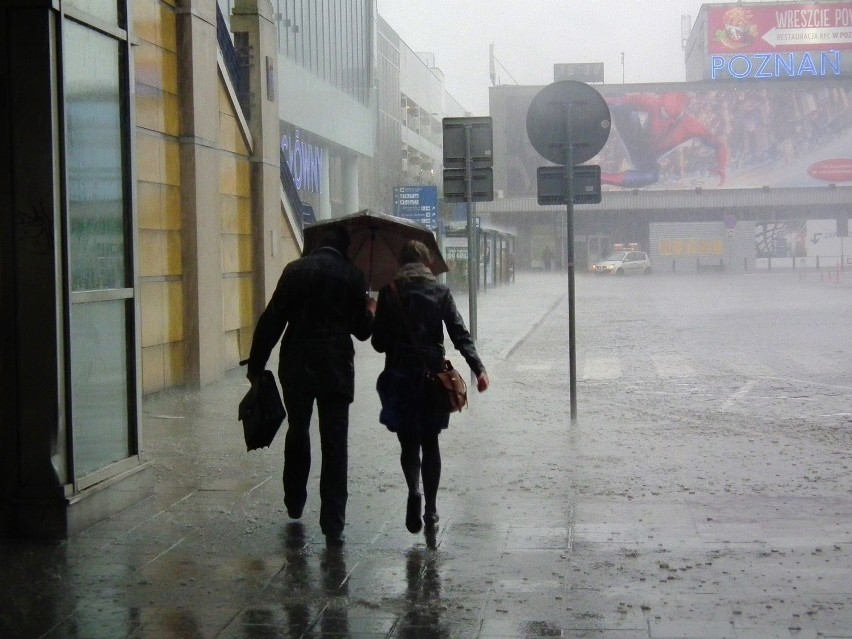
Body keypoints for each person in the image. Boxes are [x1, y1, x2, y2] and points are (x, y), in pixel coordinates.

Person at [245, 226, 375, 546]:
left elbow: (273, 318)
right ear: (344, 250)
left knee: (298, 429)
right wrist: (369, 308)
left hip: (297, 366)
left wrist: (256, 364)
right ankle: (333, 521)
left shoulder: (294, 271)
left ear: (317, 246)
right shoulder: (353, 276)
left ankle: (294, 499)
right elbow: (362, 332)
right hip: (335, 370)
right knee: (334, 444)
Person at [371, 240, 489, 534]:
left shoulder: (389, 292)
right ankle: (432, 508)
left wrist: (376, 314)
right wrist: (479, 369)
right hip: (432, 379)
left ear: (402, 263)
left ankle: (413, 490)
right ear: (426, 264)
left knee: (408, 443)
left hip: (399, 377)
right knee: (431, 442)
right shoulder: (440, 292)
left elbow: (378, 343)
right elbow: (460, 334)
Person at [603, 91, 729, 188]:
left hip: (647, 157)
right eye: (666, 116)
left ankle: (603, 178)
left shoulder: (691, 125)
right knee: (618, 99)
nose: (669, 123)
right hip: (635, 139)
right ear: (661, 106)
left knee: (652, 176)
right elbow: (620, 101)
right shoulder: (652, 102)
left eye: (675, 119)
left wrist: (722, 166)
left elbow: (719, 145)